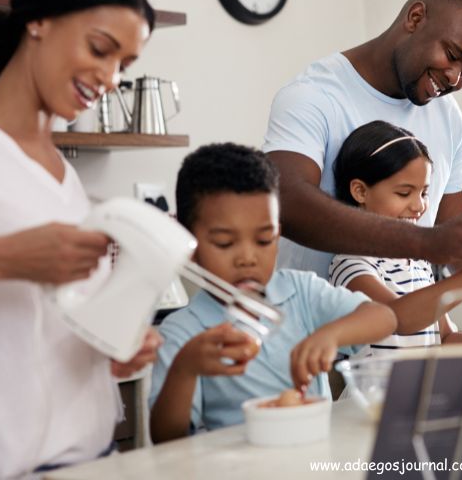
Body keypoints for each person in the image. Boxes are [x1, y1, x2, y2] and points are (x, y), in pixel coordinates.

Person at [0, 0, 162, 479]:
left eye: (124, 66)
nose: (110, 77)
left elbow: (50, 319)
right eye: (100, 49)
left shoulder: (66, 179)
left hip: (92, 455)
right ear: (38, 20)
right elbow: (14, 265)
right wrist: (7, 258)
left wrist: (120, 340)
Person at [263, 0, 462, 284]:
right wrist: (424, 242)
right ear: (415, 18)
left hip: (405, 335)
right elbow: (286, 202)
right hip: (312, 330)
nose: (455, 79)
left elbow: (459, 248)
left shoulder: (448, 118)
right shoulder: (314, 96)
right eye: (453, 56)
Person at [148, 143, 396, 443]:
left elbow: (384, 317)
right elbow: (166, 438)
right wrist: (184, 370)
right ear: (187, 243)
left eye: (264, 240)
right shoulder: (182, 332)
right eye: (225, 243)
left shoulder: (300, 291)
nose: (247, 258)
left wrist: (332, 335)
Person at [330, 121, 462, 352]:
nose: (419, 205)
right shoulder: (350, 265)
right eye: (404, 193)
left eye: (424, 192)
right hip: (376, 389)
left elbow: (446, 339)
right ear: (360, 191)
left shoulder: (418, 262)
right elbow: (399, 316)